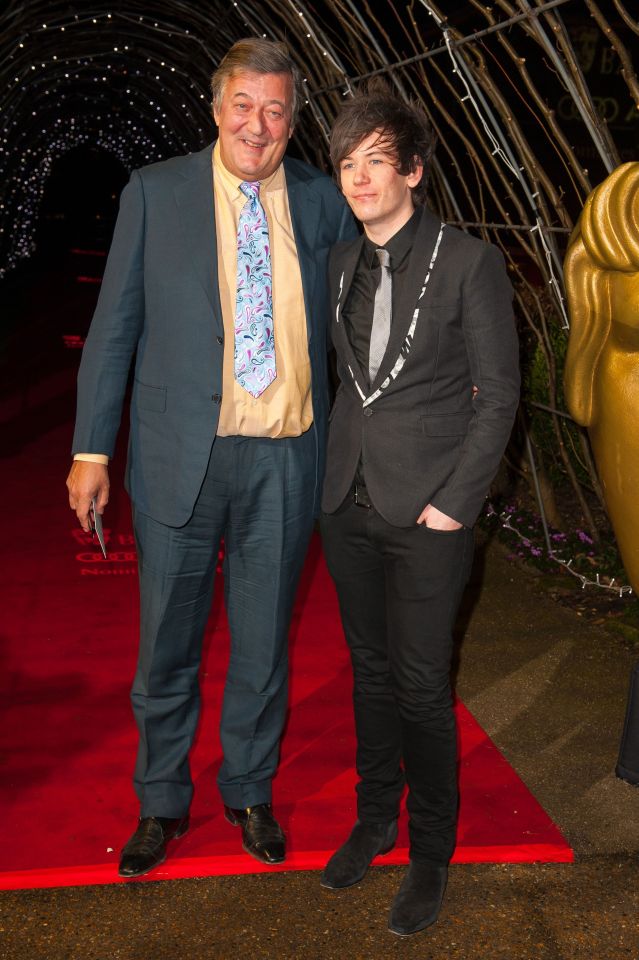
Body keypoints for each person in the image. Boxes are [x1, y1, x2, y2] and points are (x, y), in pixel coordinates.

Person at [66, 38, 356, 878]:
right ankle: (160, 801)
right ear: (216, 107)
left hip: (286, 458)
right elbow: (114, 327)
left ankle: (250, 790)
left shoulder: (318, 199)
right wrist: (92, 450)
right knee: (167, 646)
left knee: (265, 644)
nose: (256, 125)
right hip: (178, 456)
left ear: (292, 121)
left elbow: (359, 314)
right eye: (243, 105)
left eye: (274, 110)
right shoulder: (156, 194)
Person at [319, 83, 520, 936]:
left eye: (373, 162)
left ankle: (430, 852)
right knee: (368, 675)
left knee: (419, 685)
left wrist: (454, 504)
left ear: (412, 170)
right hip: (348, 503)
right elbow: (349, 387)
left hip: (430, 514)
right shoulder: (338, 262)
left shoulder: (468, 262)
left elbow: (499, 397)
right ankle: (374, 819)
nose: (357, 179)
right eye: (344, 165)